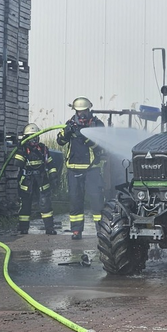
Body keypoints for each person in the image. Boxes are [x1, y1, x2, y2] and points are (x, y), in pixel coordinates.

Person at [56, 96, 105, 240]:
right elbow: (60, 141)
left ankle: (101, 229)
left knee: (97, 200)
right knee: (75, 200)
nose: (81, 115)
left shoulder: (97, 125)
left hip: (92, 168)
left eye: (84, 111)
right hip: (74, 168)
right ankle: (76, 230)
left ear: (89, 110)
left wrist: (85, 138)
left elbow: (101, 146)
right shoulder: (71, 123)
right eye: (79, 112)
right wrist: (66, 132)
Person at [14, 123, 58, 235]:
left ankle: (49, 228)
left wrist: (53, 176)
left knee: (45, 205)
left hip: (42, 181)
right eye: (31, 138)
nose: (34, 140)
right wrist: (20, 149)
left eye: (36, 137)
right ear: (27, 138)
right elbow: (18, 163)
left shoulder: (43, 149)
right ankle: (23, 228)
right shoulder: (23, 149)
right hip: (27, 181)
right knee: (25, 206)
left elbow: (50, 164)